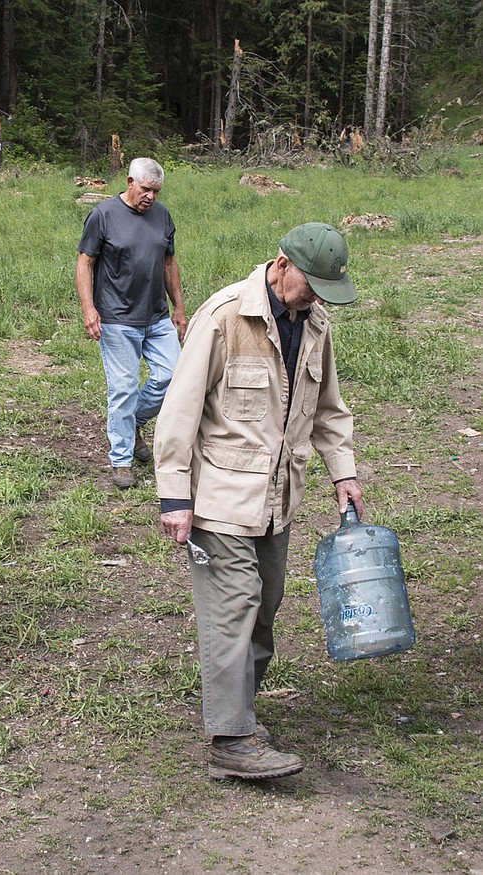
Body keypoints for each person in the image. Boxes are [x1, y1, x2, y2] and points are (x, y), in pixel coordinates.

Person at [154, 222, 365, 780]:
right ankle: (231, 738)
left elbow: (329, 409)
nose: (316, 297)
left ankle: (239, 713)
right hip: (219, 496)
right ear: (281, 265)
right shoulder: (224, 317)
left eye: (325, 288)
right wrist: (174, 494)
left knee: (264, 614)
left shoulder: (316, 324)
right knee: (233, 610)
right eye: (311, 284)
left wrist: (342, 473)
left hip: (279, 499)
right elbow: (180, 406)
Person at [76, 157, 188, 490]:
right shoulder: (103, 215)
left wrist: (179, 307)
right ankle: (121, 460)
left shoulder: (162, 215)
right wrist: (88, 309)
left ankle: (134, 422)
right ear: (129, 182)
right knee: (123, 389)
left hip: (155, 316)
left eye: (156, 191)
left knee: (174, 376)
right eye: (145, 189)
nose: (150, 196)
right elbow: (85, 263)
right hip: (116, 318)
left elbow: (169, 263)